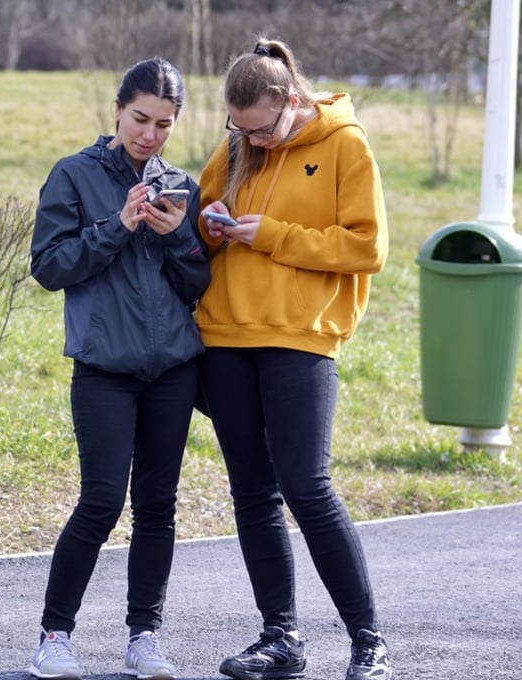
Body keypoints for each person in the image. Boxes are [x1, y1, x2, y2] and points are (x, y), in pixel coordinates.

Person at [195, 38, 392, 680]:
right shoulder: (238, 146)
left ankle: (368, 642)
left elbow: (367, 247)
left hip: (300, 336)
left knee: (307, 487)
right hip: (225, 336)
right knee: (252, 493)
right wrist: (208, 223)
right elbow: (200, 222)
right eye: (239, 128)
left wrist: (274, 236)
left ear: (289, 100)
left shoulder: (345, 144)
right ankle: (280, 639)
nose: (251, 140)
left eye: (261, 128)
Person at [27, 57, 209, 680]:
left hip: (173, 369)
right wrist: (118, 225)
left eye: (164, 123)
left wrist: (178, 235)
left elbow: (197, 283)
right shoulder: (74, 175)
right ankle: (54, 636)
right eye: (140, 119)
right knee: (101, 502)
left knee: (158, 505)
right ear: (117, 111)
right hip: (104, 366)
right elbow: (49, 267)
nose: (150, 134)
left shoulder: (180, 184)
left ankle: (144, 637)